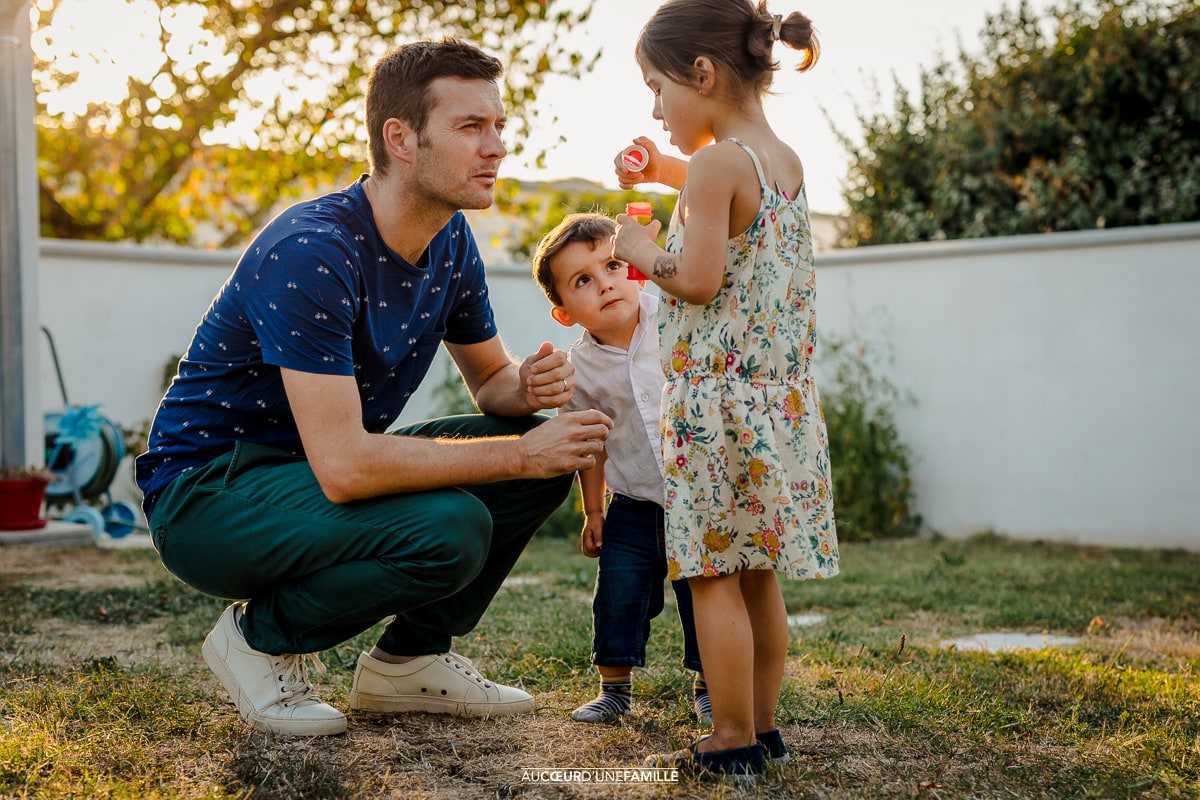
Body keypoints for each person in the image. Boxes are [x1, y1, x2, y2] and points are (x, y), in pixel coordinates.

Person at [134, 39, 612, 738]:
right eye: (471, 127)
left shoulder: (450, 242)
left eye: (499, 127)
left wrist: (528, 387)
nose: (497, 147)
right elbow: (348, 466)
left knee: (542, 454)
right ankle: (258, 638)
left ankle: (407, 662)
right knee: (454, 527)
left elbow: (492, 386)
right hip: (209, 495)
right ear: (401, 139)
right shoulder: (313, 250)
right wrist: (519, 452)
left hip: (314, 474)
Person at [611, 0, 840, 781]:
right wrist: (663, 171)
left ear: (700, 73)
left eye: (656, 87)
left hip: (715, 407)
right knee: (758, 574)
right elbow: (724, 202)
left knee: (710, 578)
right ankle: (766, 729)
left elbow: (700, 278)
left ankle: (730, 738)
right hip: (777, 406)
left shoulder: (716, 166)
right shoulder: (777, 159)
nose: (654, 107)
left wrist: (642, 251)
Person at [532, 213, 709, 726]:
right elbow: (591, 443)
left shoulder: (675, 317)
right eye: (583, 280)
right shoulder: (580, 369)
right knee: (617, 595)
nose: (605, 283)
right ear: (565, 313)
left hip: (698, 500)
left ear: (633, 266)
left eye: (612, 265)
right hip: (631, 505)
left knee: (706, 597)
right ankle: (614, 689)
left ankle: (710, 686)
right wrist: (593, 511)